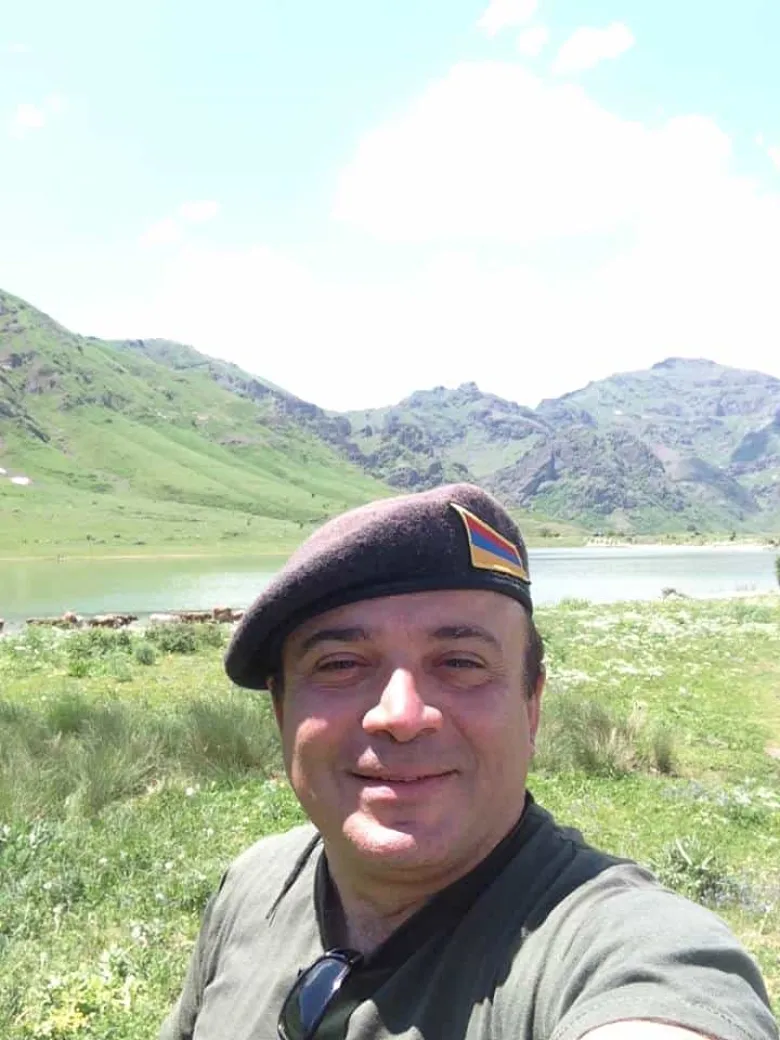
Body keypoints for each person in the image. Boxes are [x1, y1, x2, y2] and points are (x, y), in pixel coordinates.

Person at [159, 483, 777, 1040]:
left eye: (460, 663)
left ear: (531, 707)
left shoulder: (616, 949)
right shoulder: (255, 886)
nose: (401, 715)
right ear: (281, 712)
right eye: (340, 664)